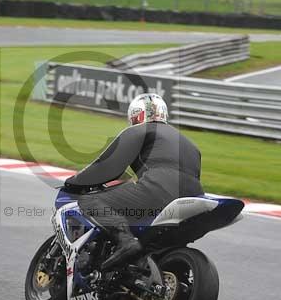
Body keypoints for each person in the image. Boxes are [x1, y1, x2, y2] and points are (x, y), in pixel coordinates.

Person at [63, 93, 204, 270]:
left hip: (159, 191)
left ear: (136, 115)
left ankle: (125, 239)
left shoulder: (140, 131)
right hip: (195, 199)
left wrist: (75, 182)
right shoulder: (191, 144)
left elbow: (107, 166)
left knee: (89, 200)